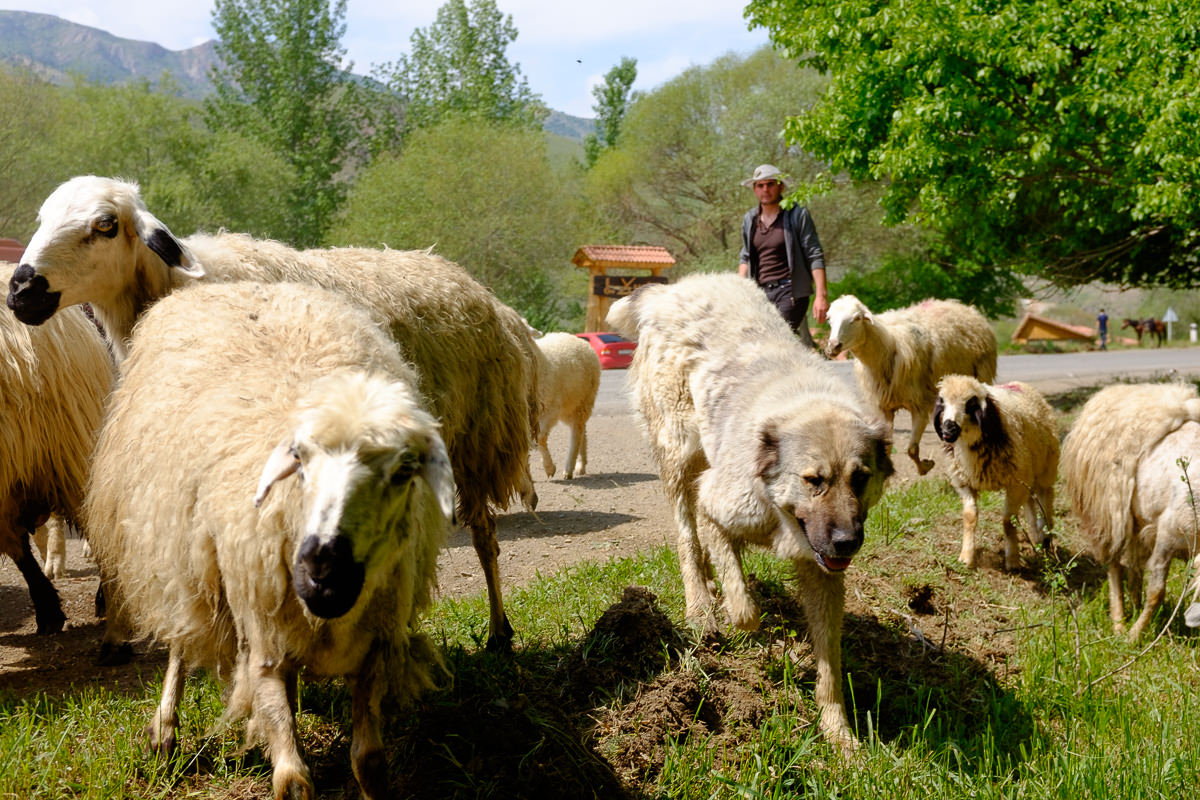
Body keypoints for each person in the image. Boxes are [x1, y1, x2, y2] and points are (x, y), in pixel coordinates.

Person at [737, 164, 828, 349]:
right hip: (760, 293)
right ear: (754, 189)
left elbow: (814, 253)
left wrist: (821, 296)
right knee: (758, 345)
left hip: (791, 292)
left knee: (775, 340)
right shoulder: (750, 219)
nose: (765, 189)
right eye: (760, 185)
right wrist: (737, 291)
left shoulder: (797, 215)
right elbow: (745, 256)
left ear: (781, 186)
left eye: (770, 184)